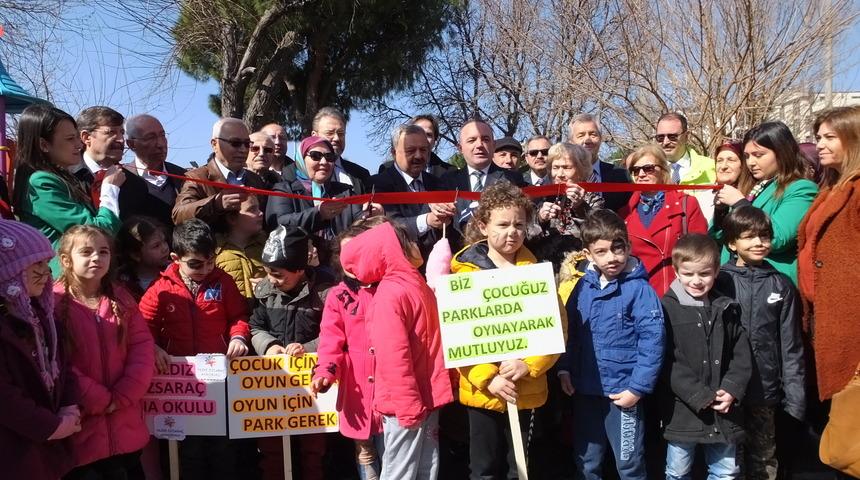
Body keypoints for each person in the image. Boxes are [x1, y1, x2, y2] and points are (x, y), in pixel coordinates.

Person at [450, 181, 568, 479]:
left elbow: (555, 329)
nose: (512, 232)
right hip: (483, 393)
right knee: (484, 470)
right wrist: (486, 377)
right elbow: (457, 337)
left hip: (526, 389)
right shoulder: (465, 274)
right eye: (502, 224)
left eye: (519, 224)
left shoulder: (535, 273)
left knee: (523, 469)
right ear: (483, 225)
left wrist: (528, 365)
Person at [339, 221, 454, 480]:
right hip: (408, 403)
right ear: (393, 249)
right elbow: (393, 358)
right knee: (402, 473)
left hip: (422, 399)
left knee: (426, 469)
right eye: (412, 240)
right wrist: (408, 405)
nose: (418, 244)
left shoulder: (411, 285)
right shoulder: (392, 294)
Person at [139, 218, 251, 479]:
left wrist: (238, 338)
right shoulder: (161, 288)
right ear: (176, 258)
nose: (205, 268)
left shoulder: (223, 282)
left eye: (210, 261)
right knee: (189, 450)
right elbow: (142, 325)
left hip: (219, 379)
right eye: (196, 264)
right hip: (181, 382)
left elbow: (239, 316)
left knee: (223, 446)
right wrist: (153, 348)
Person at [557, 209, 665, 480]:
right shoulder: (582, 287)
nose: (612, 258)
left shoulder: (640, 290)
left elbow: (653, 342)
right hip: (586, 390)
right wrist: (564, 369)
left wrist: (638, 387)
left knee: (629, 464)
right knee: (587, 462)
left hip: (624, 394)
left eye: (618, 249)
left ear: (628, 246)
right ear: (588, 254)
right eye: (601, 251)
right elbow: (570, 331)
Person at [54, 225, 155, 478]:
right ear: (66, 260)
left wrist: (123, 394)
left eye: (103, 251)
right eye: (86, 252)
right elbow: (58, 361)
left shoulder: (121, 299)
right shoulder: (53, 303)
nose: (97, 258)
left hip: (125, 426)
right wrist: (98, 398)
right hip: (80, 435)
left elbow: (141, 348)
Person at [716, 206, 806, 480]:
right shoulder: (719, 280)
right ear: (732, 243)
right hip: (725, 391)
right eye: (749, 236)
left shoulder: (781, 285)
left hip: (765, 390)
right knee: (727, 462)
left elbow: (791, 346)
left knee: (764, 459)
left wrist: (795, 398)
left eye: (764, 236)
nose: (758, 243)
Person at [660, 234, 751, 480]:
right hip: (683, 413)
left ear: (716, 271)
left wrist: (731, 388)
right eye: (688, 274)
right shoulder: (666, 309)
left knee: (726, 472)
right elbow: (668, 361)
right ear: (676, 271)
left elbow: (741, 355)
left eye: (704, 274)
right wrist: (699, 395)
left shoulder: (726, 307)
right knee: (678, 471)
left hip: (724, 410)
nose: (697, 281)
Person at [249, 225, 334, 480]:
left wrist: (307, 349)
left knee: (313, 450)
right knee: (272, 450)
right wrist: (268, 345)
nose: (272, 279)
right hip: (273, 386)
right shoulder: (265, 291)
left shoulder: (324, 292)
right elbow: (255, 325)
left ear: (299, 269)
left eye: (278, 274)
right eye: (268, 273)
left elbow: (335, 333)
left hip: (313, 385)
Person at [312, 218, 394, 480]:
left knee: (392, 454)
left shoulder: (391, 289)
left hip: (389, 387)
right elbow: (330, 340)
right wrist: (325, 372)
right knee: (365, 453)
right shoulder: (338, 295)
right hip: (356, 391)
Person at [0, 219, 80, 479]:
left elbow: (65, 365)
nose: (47, 271)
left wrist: (69, 406)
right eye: (37, 263)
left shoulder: (41, 315)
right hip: (14, 455)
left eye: (47, 263)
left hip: (45, 453)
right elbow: (5, 397)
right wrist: (51, 427)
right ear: (10, 270)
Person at [12, 104, 124, 277]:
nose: (79, 144)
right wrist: (110, 188)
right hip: (64, 281)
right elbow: (96, 232)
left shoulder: (62, 177)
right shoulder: (41, 183)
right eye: (70, 139)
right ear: (44, 144)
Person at [799, 105, 860, 401]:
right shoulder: (829, 189)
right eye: (818, 137)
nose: (820, 144)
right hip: (822, 319)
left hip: (851, 323)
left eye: (830, 137)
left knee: (848, 427)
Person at [712, 121, 818, 284]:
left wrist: (740, 204)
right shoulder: (753, 187)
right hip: (736, 281)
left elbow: (778, 238)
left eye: (758, 155)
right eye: (747, 156)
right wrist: (721, 211)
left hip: (770, 286)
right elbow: (721, 237)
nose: (751, 162)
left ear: (782, 152)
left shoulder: (801, 188)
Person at [618, 145, 707, 297]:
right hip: (638, 298)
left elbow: (702, 252)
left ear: (663, 170)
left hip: (678, 297)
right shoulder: (624, 213)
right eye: (635, 170)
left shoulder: (686, 204)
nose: (641, 174)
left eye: (648, 168)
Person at [266, 136, 383, 240]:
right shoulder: (283, 190)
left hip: (338, 260)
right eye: (315, 156)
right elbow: (278, 223)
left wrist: (369, 216)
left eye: (329, 157)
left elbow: (357, 224)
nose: (324, 162)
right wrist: (318, 214)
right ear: (301, 159)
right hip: (300, 260)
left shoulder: (345, 192)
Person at [371, 124, 454, 262]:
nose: (418, 156)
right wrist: (427, 220)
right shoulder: (378, 184)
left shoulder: (438, 183)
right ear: (393, 153)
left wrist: (448, 217)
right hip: (399, 267)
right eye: (410, 150)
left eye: (423, 150)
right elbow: (389, 225)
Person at [172, 117, 268, 227]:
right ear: (214, 144)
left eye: (247, 144)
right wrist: (215, 203)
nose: (243, 149)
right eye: (235, 143)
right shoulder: (196, 178)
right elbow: (178, 215)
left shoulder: (255, 180)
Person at [440, 119, 525, 241]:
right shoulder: (447, 181)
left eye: (485, 139)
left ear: (493, 145)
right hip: (458, 254)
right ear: (460, 148)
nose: (479, 145)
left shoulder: (512, 179)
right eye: (471, 140)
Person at [534, 143, 605, 251]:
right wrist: (540, 219)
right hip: (548, 264)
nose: (560, 174)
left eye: (567, 167)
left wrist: (580, 207)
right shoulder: (542, 199)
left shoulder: (593, 200)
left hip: (580, 261)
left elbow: (599, 232)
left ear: (581, 171)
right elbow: (528, 237)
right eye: (555, 167)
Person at [121, 114, 186, 226]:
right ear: (131, 144)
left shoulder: (184, 177)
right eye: (151, 138)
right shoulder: (121, 179)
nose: (161, 144)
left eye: (162, 135)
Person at [654, 113, 716, 221]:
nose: (665, 142)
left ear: (686, 136)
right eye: (660, 137)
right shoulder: (648, 172)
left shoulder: (711, 166)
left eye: (672, 137)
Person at [568, 113, 631, 211]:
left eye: (593, 134)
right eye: (581, 135)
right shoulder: (563, 177)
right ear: (571, 142)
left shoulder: (622, 176)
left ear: (600, 139)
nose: (587, 140)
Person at [214, 195, 266, 305]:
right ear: (232, 218)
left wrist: (269, 286)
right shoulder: (217, 251)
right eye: (252, 209)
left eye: (258, 208)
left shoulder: (266, 245)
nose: (260, 213)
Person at [310, 107, 372, 193]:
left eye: (341, 133)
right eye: (330, 133)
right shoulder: (295, 174)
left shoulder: (361, 174)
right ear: (314, 136)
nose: (336, 138)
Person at [378, 114, 455, 178]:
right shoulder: (386, 168)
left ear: (435, 139)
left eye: (428, 135)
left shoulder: (450, 171)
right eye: (417, 133)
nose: (423, 138)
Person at [116, 216, 171, 300]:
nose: (165, 248)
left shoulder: (173, 271)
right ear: (136, 255)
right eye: (156, 246)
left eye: (164, 241)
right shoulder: (122, 284)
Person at [73, 106, 125, 191]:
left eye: (122, 133)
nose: (121, 140)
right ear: (86, 137)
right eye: (111, 132)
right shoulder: (66, 180)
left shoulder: (136, 185)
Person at [711, 141, 753, 231]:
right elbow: (716, 237)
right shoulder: (712, 193)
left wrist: (740, 204)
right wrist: (720, 211)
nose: (723, 166)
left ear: (743, 164)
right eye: (719, 160)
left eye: (731, 160)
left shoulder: (755, 193)